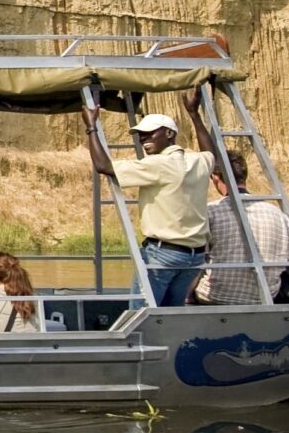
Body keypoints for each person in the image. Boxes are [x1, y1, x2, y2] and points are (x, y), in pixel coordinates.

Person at [83, 98, 214, 307]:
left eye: (150, 133)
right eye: (141, 135)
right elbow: (211, 153)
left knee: (141, 313)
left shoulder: (158, 164)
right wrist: (194, 114)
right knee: (172, 313)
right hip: (194, 257)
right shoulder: (197, 161)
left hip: (162, 254)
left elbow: (103, 166)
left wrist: (91, 127)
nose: (144, 139)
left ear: (169, 134)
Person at [195, 151, 289, 304]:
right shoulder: (278, 213)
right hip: (266, 296)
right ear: (244, 176)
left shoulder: (210, 211)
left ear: (215, 177)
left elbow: (195, 257)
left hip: (216, 296)